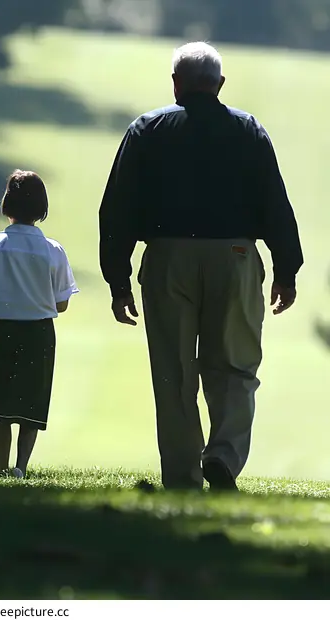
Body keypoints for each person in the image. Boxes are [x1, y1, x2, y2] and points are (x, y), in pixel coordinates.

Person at [99, 42, 304, 491]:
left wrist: (118, 279)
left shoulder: (147, 130)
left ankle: (182, 475)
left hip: (168, 257)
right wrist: (287, 268)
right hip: (235, 257)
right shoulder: (248, 130)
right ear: (220, 85)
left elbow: (118, 209)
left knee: (173, 372)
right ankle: (224, 458)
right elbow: (275, 204)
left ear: (175, 83)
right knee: (234, 366)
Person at [0, 170, 78, 478]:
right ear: (41, 207)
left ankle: (1, 467)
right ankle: (21, 467)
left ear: (7, 203)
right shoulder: (53, 250)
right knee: (30, 404)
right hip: (39, 331)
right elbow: (62, 303)